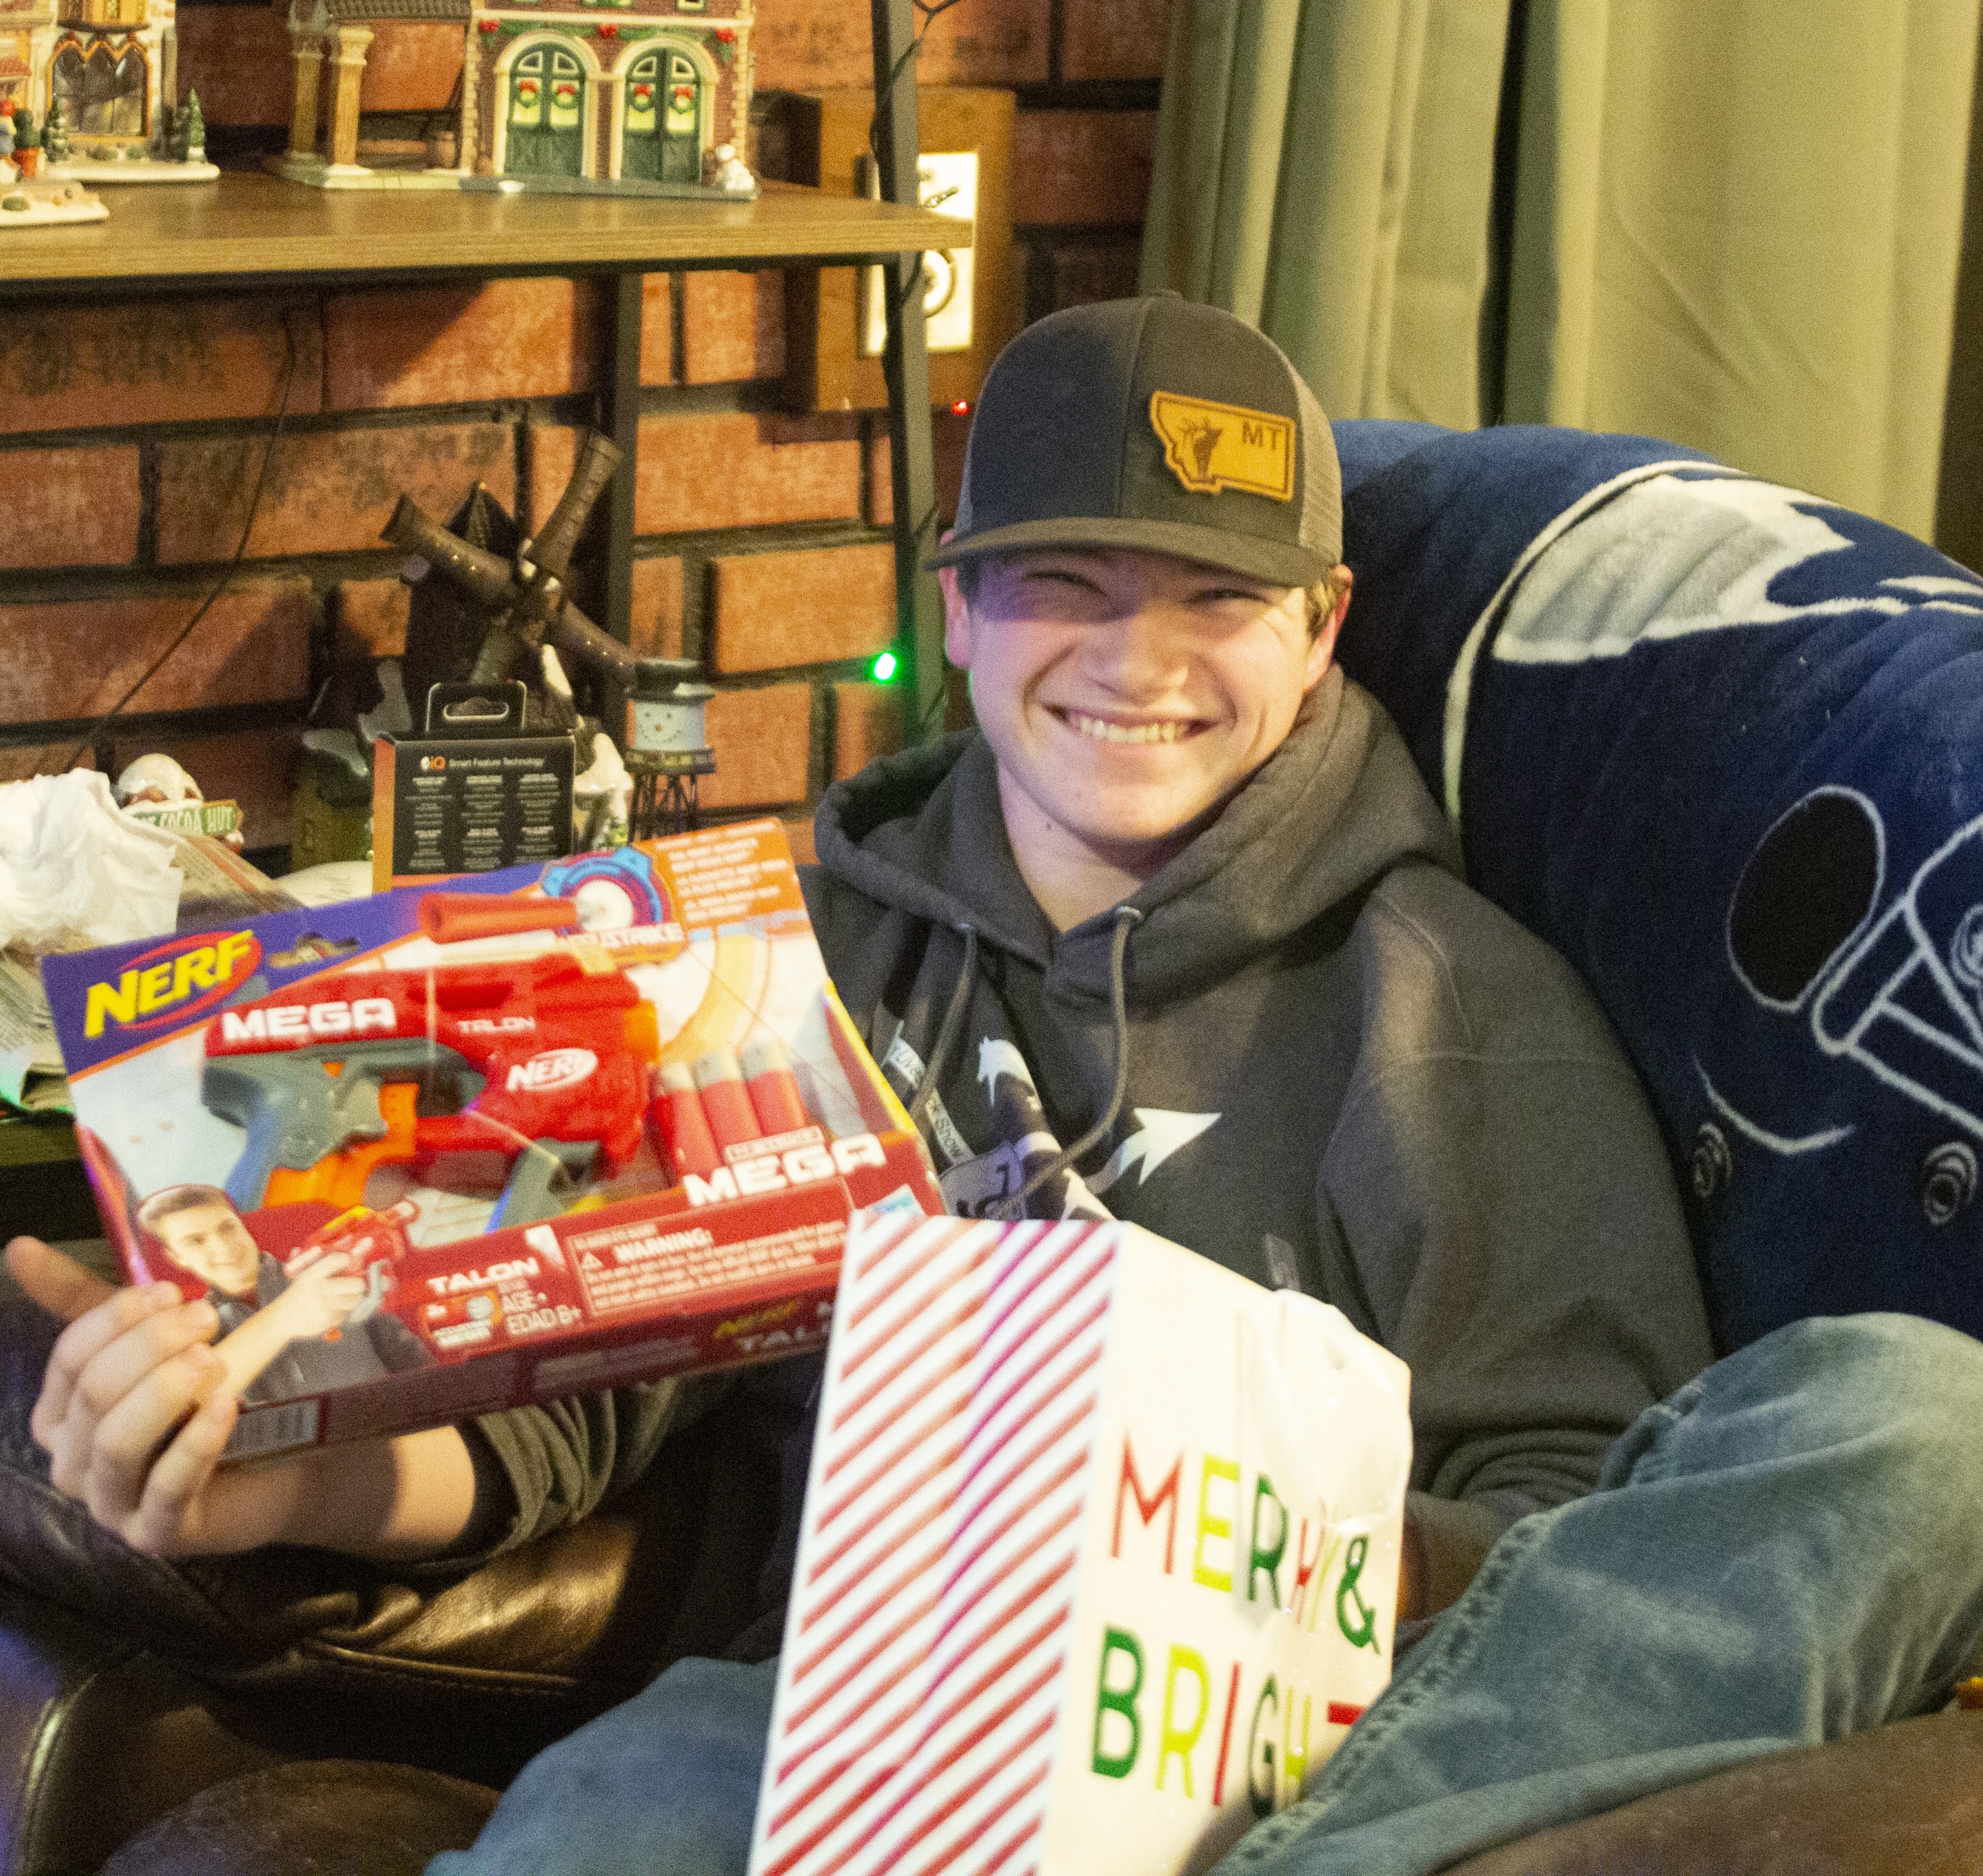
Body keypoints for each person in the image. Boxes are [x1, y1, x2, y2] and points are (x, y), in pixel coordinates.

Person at [10, 295, 1983, 1876]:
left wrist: (1178, 1514)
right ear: (955, 608)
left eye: (1216, 595)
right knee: (613, 1809)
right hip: (823, 1715)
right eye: (1066, 581)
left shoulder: (1455, 1011)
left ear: (1320, 631)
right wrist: (277, 1473)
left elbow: (1569, 1538)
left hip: (1288, 1745)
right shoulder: (763, 965)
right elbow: (572, 1413)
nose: (1140, 658)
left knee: (1918, 1415)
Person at [136, 1184, 431, 1402]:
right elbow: (189, 1401)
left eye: (227, 1228)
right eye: (196, 1241)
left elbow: (406, 1355)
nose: (223, 1247)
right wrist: (286, 1316)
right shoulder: (190, 1333)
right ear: (177, 1258)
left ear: (244, 1227)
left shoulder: (328, 1272)